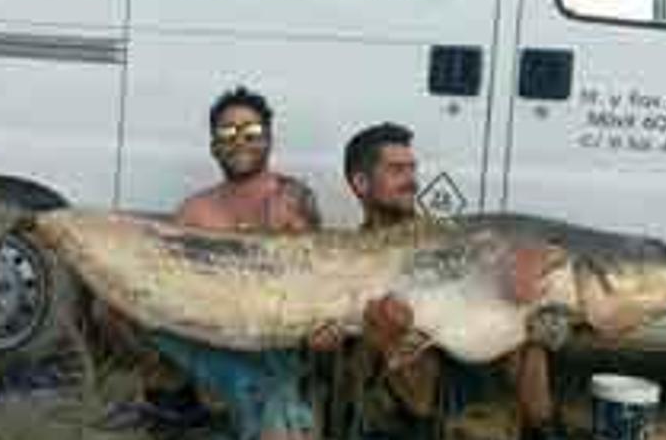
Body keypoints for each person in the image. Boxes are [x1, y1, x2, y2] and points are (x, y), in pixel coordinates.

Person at [119, 86, 338, 440]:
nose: (240, 141)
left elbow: (307, 275)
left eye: (251, 131)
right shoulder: (194, 211)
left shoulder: (292, 198)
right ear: (213, 144)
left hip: (272, 351)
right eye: (227, 132)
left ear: (268, 139)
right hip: (205, 342)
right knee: (116, 307)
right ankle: (179, 398)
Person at [334, 122, 566, 440]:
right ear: (360, 183)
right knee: (391, 327)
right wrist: (386, 342)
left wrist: (543, 313)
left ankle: (545, 430)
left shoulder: (446, 236)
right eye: (396, 170)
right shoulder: (348, 255)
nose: (411, 181)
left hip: (462, 360)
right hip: (399, 388)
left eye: (412, 170)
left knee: (526, 327)